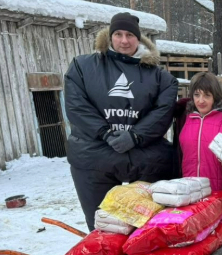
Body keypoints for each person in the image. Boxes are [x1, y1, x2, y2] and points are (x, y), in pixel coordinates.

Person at [63, 12, 179, 228]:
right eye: (118, 34)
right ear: (110, 36)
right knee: (103, 225)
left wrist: (136, 135)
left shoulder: (160, 77)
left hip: (144, 158)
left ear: (139, 38)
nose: (124, 40)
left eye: (129, 35)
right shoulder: (82, 67)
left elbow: (163, 112)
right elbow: (77, 106)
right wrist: (105, 133)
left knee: (148, 225)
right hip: (93, 157)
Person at [169, 72, 222, 192]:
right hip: (187, 189)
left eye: (207, 95)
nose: (201, 100)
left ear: (215, 96)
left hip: (217, 190)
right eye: (197, 95)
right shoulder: (183, 116)